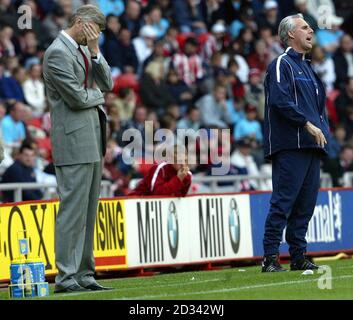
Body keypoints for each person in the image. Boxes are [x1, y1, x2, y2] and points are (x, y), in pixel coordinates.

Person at [43, 5, 113, 293]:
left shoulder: (85, 49)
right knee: (72, 212)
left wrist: (95, 50)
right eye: (94, 30)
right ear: (82, 23)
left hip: (92, 140)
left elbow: (107, 82)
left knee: (88, 213)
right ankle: (66, 276)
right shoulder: (57, 52)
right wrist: (97, 97)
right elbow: (76, 97)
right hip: (73, 142)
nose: (94, 36)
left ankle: (85, 273)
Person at [262, 14, 330, 272]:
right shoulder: (282, 64)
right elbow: (280, 101)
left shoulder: (309, 69)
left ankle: (298, 255)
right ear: (291, 34)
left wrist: (322, 132)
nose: (311, 30)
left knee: (305, 205)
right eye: (304, 27)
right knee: (283, 201)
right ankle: (269, 257)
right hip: (291, 144)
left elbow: (319, 109)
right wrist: (307, 124)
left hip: (312, 145)